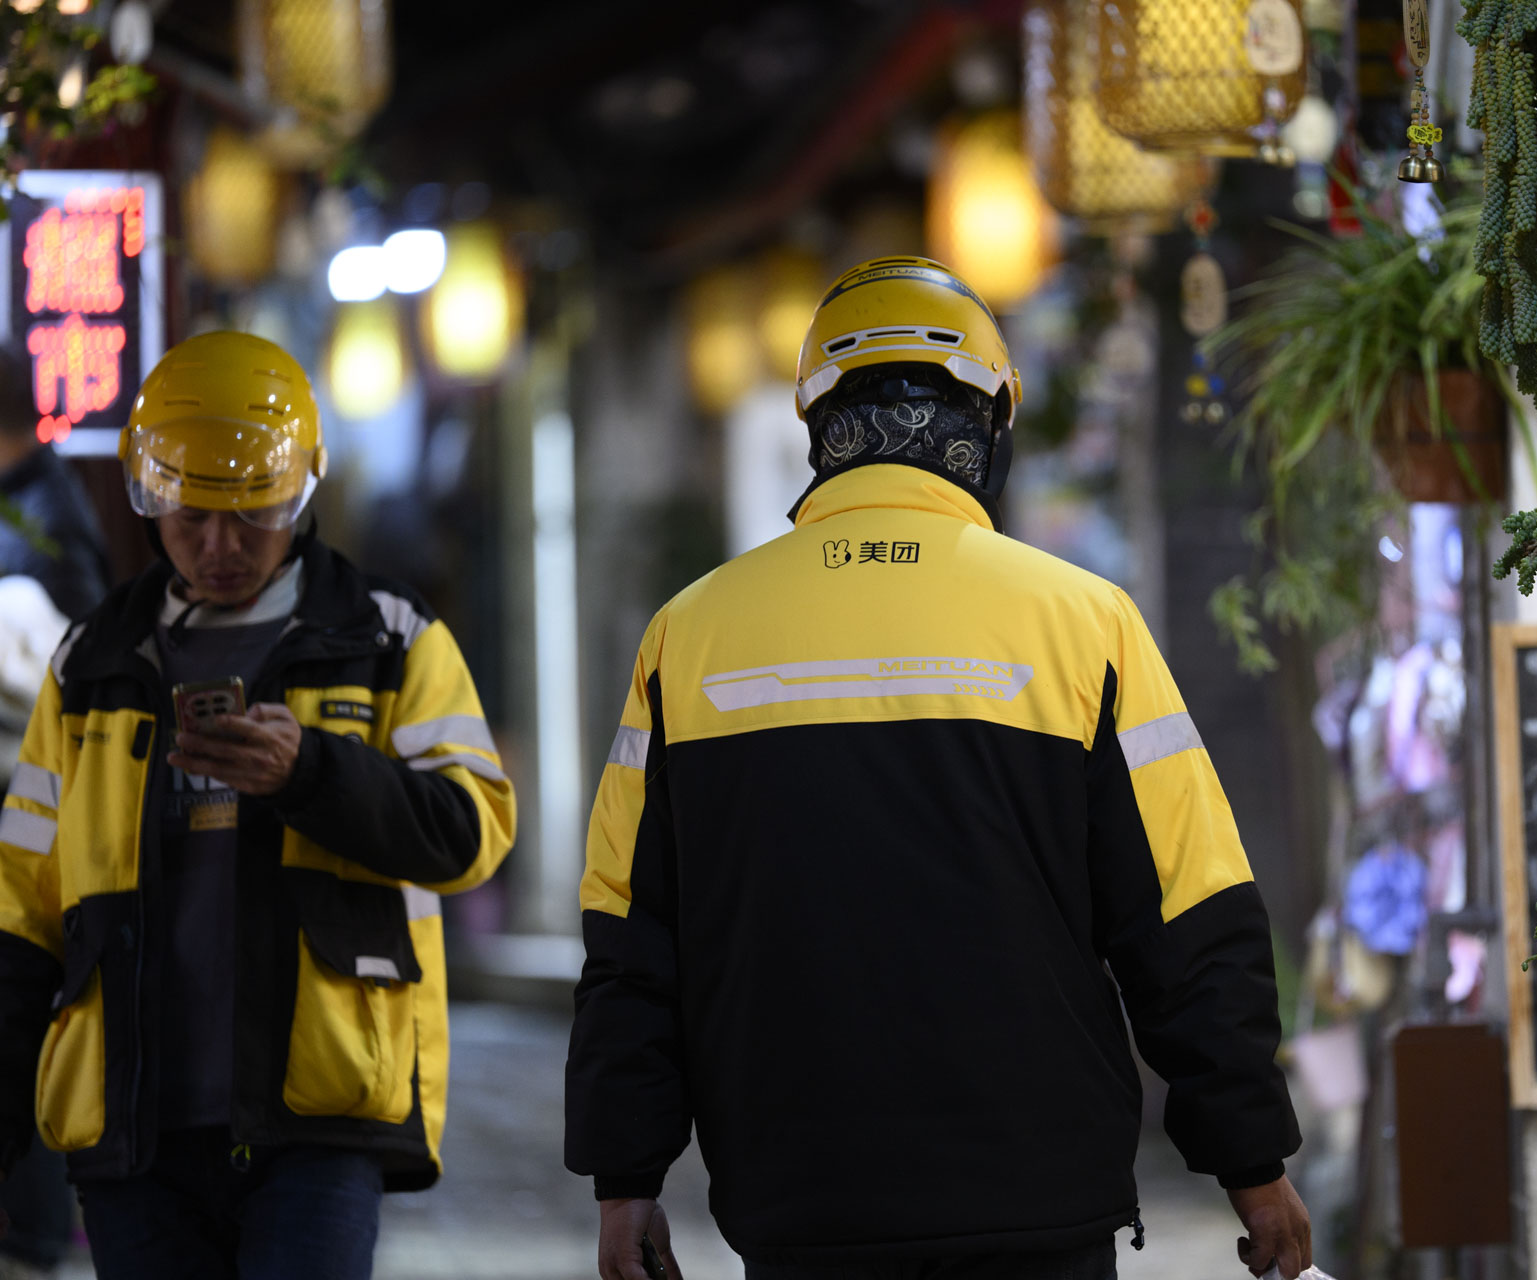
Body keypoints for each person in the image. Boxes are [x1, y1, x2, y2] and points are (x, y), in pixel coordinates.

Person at [566, 257, 1313, 1280]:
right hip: (1039, 1198)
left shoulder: (687, 636)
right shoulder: (1083, 622)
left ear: (818, 419)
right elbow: (1190, 915)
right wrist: (1253, 1161)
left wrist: (626, 1174)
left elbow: (630, 935)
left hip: (801, 1201)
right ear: (990, 423)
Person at [0, 331, 517, 1280]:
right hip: (133, 1125)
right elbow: (21, 910)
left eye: (256, 514)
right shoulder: (92, 661)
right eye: (191, 515)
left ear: (306, 490)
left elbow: (473, 829)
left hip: (319, 1118)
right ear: (147, 496)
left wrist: (312, 773)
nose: (220, 545)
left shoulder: (387, 639)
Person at [0, 343, 111, 1276]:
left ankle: (35, 1230)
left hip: (28, 814)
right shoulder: (44, 503)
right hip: (28, 811)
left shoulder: (45, 517)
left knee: (28, 1006)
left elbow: (80, 668)